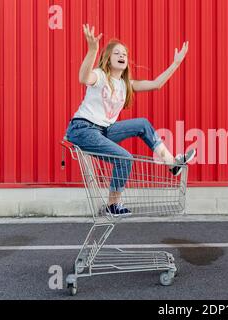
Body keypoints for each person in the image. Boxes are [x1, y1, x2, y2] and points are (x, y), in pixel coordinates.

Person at [65, 24, 195, 216]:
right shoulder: (100, 76)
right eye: (117, 53)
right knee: (125, 158)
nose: (122, 55)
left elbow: (156, 85)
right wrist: (92, 49)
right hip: (83, 129)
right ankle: (112, 205)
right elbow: (84, 77)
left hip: (103, 130)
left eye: (124, 53)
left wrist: (175, 63)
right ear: (108, 59)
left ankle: (171, 164)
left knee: (142, 123)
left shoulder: (126, 85)